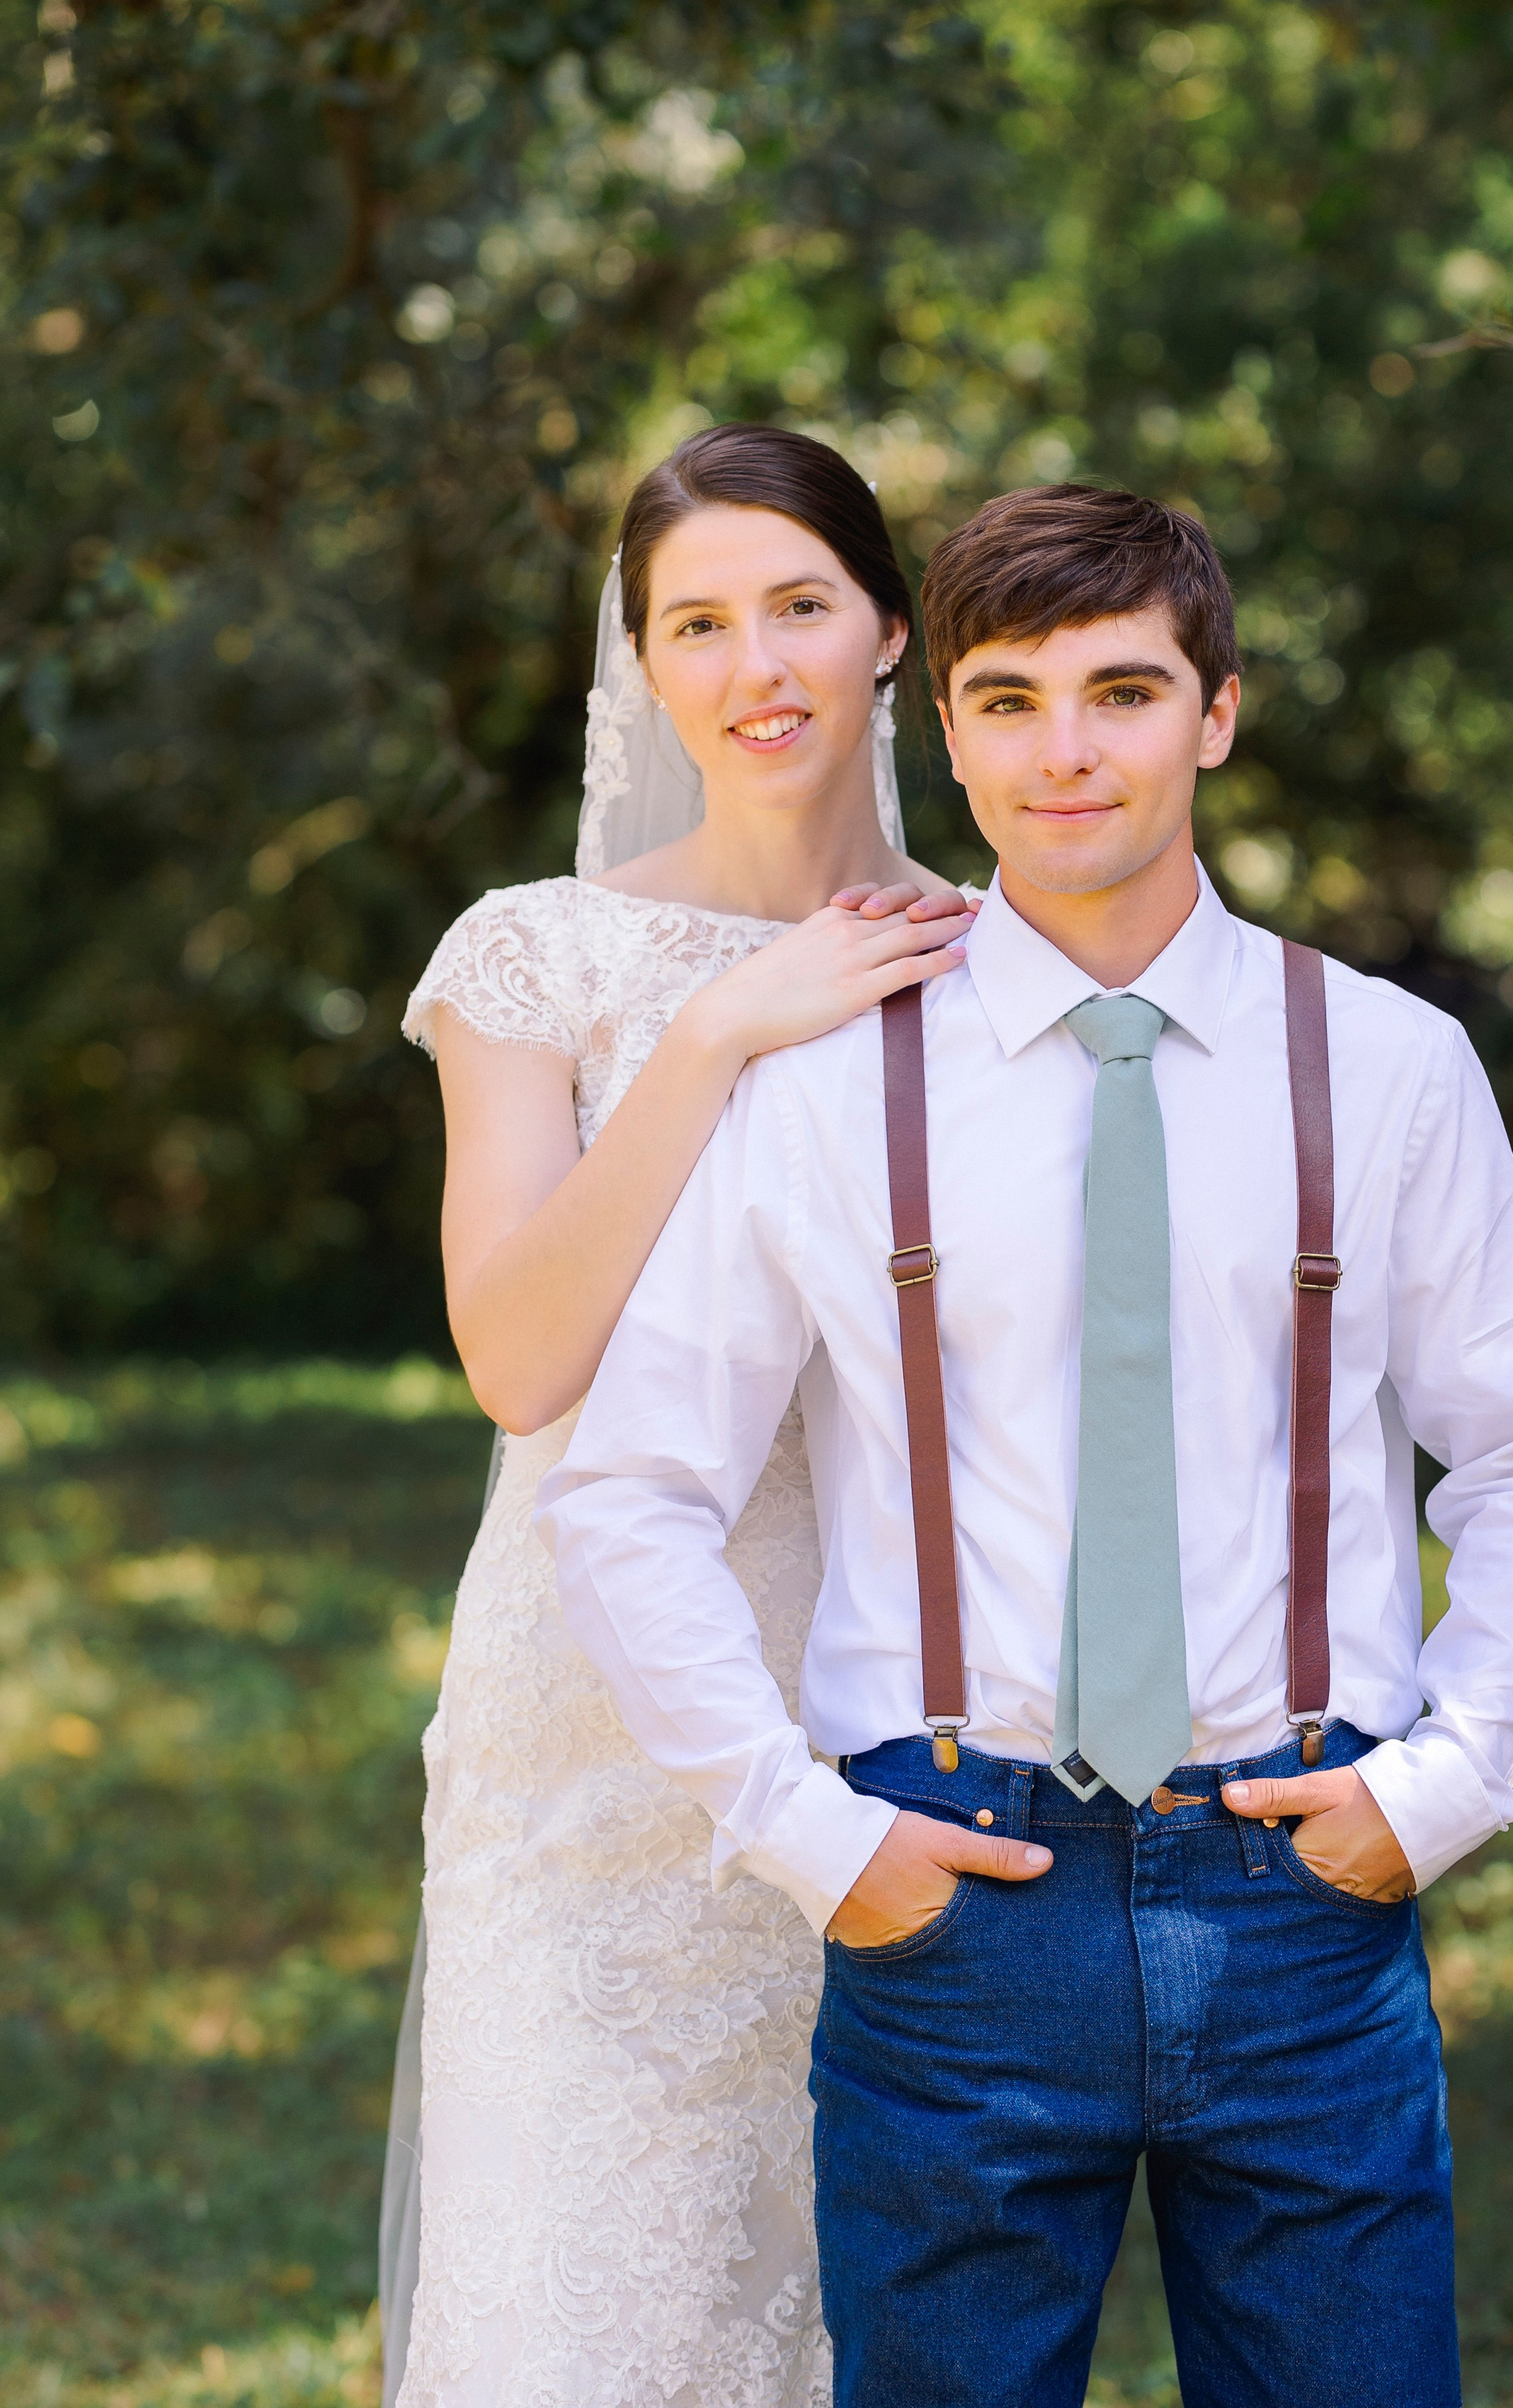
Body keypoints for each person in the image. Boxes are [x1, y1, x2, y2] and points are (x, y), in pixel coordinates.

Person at [537, 481, 1513, 2408]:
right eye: (1010, 698)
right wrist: (816, 1837)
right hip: (951, 1896)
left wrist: (1445, 1785)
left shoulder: (1379, 1065)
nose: (1068, 751)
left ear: (1218, 711)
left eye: (1122, 691)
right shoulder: (822, 1085)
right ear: (943, 729)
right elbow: (632, 1490)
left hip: (1301, 1889)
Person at [387, 423, 973, 2408]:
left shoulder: (989, 960)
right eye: (697, 623)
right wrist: (719, 1029)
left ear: (890, 629)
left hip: (881, 1693)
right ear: (642, 667)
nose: (758, 664)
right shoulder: (536, 959)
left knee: (847, 2297)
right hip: (587, 1728)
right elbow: (519, 1356)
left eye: (801, 603)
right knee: (584, 2290)